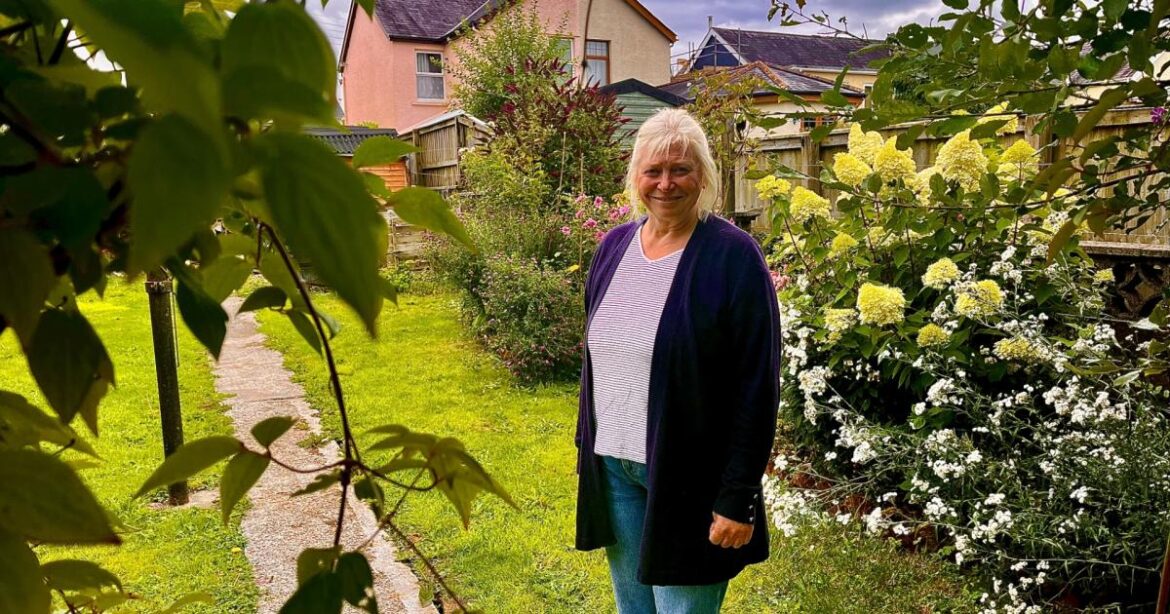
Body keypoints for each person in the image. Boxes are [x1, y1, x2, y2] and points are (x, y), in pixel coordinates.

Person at [574, 108, 781, 613]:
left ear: (704, 176)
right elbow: (597, 357)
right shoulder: (613, 248)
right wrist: (587, 448)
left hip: (693, 477)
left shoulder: (734, 257)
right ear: (636, 178)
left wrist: (738, 496)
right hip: (617, 470)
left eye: (681, 169)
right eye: (654, 171)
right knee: (634, 610)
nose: (666, 183)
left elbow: (758, 385)